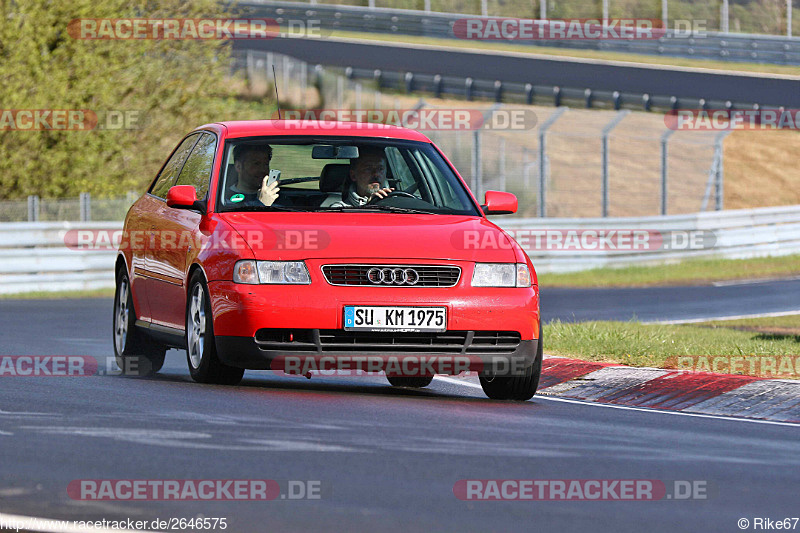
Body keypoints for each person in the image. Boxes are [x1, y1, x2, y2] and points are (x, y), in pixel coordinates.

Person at [329, 147, 394, 208]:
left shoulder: (396, 203)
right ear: (353, 175)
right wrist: (369, 206)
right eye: (368, 169)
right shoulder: (339, 209)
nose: (376, 174)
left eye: (380, 169)